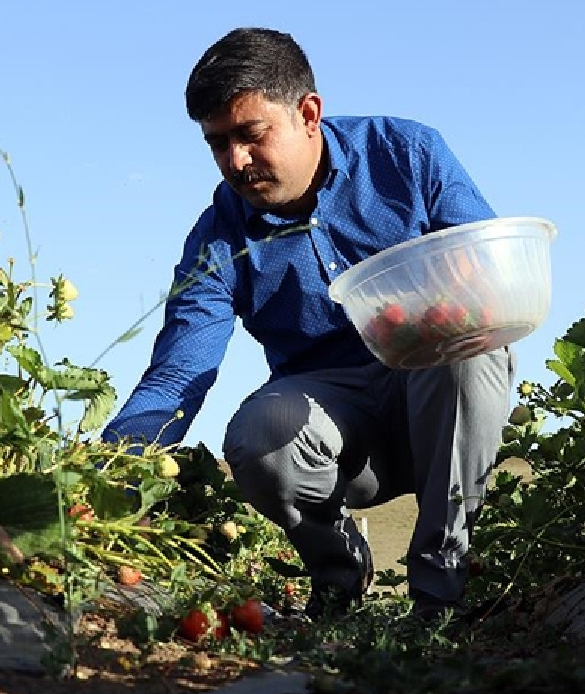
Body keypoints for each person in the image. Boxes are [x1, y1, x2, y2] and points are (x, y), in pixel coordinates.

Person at [100, 27, 514, 620]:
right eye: (218, 144)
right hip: (340, 439)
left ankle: (439, 592)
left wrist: (453, 294)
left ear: (309, 113)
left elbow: (487, 275)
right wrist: (107, 476)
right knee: (260, 431)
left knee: (469, 348)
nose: (236, 161)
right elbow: (176, 379)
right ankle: (337, 581)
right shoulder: (218, 239)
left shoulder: (406, 154)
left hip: (440, 408)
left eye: (251, 134)